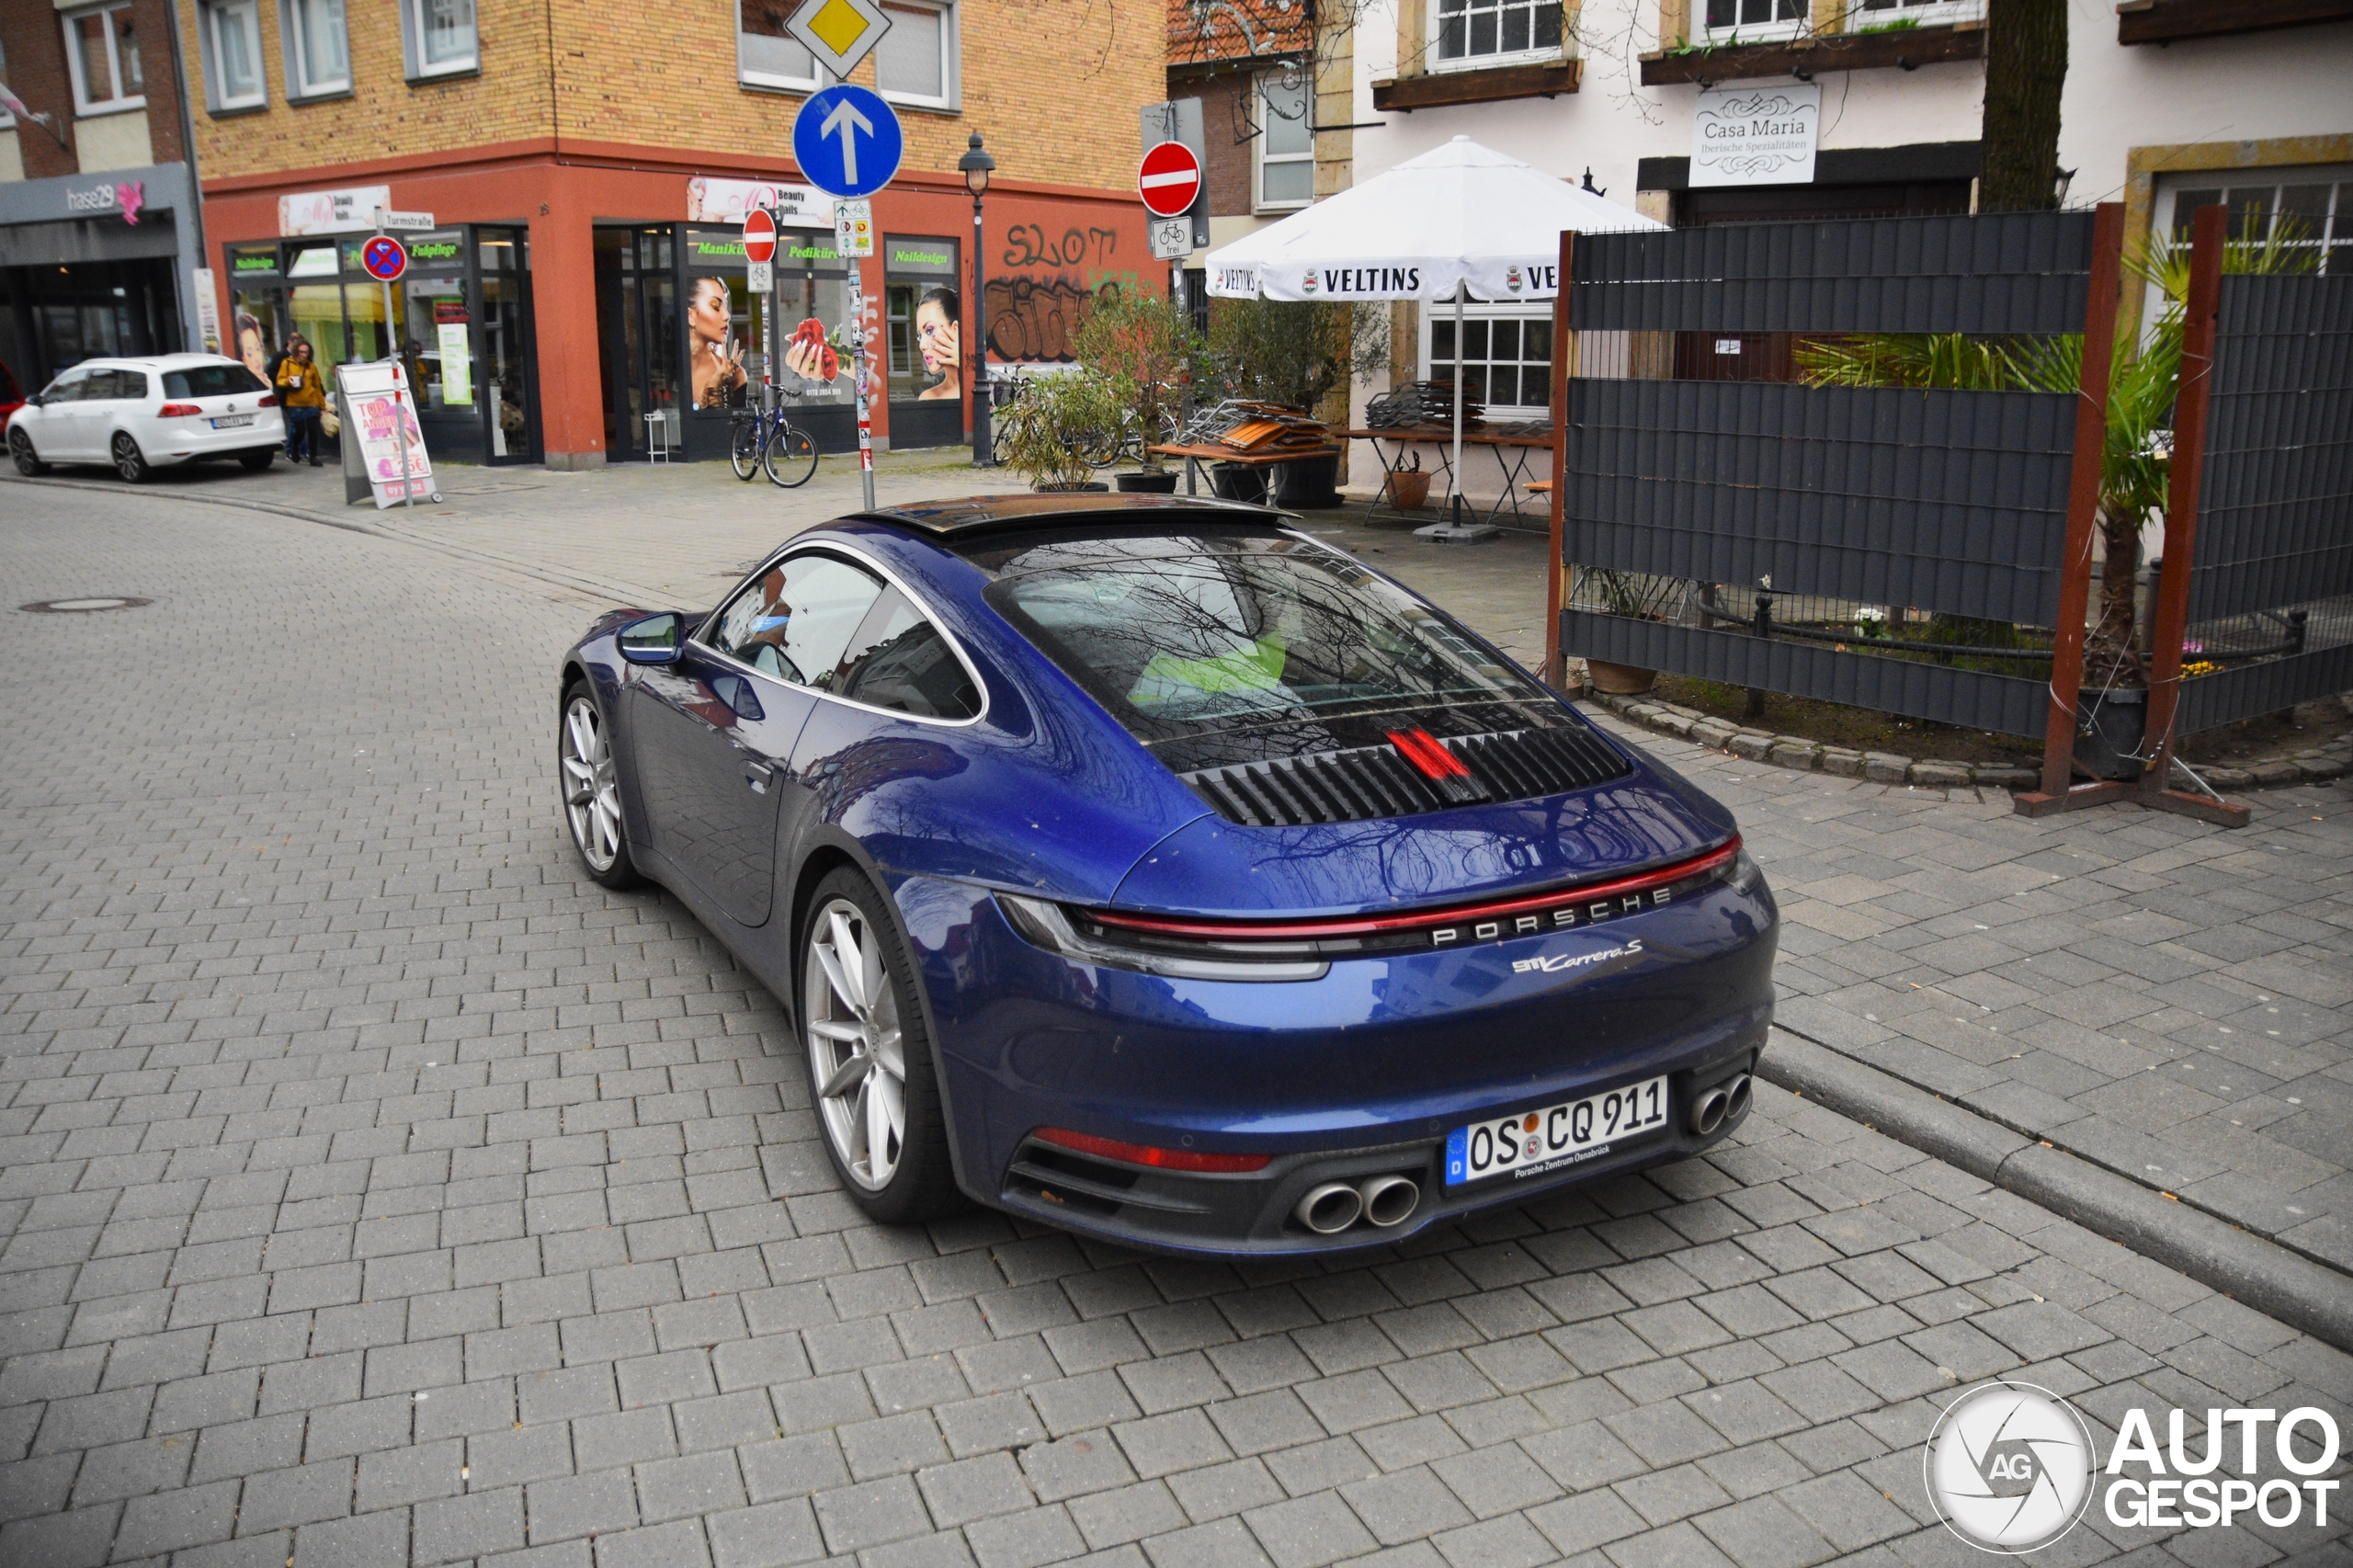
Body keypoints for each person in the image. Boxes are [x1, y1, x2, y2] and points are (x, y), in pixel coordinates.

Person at [688, 277, 748, 410]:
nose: (727, 315)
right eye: (715, 306)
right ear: (690, 316)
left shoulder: (735, 374)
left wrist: (716, 389)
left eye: (726, 307)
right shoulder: (671, 368)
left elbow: (735, 426)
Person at [276, 339, 327, 465]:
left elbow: (317, 387)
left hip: (311, 402)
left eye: (307, 352)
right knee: (299, 430)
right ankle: (294, 448)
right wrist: (288, 380)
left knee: (313, 431)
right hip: (294, 403)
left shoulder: (311, 366)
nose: (304, 354)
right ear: (296, 351)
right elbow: (279, 380)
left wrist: (322, 406)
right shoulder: (287, 363)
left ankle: (313, 457)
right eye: (301, 352)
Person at [913, 287, 962, 402]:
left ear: (955, 329)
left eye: (929, 330)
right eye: (920, 335)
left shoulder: (980, 388)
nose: (922, 346)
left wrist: (966, 368)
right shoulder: (928, 398)